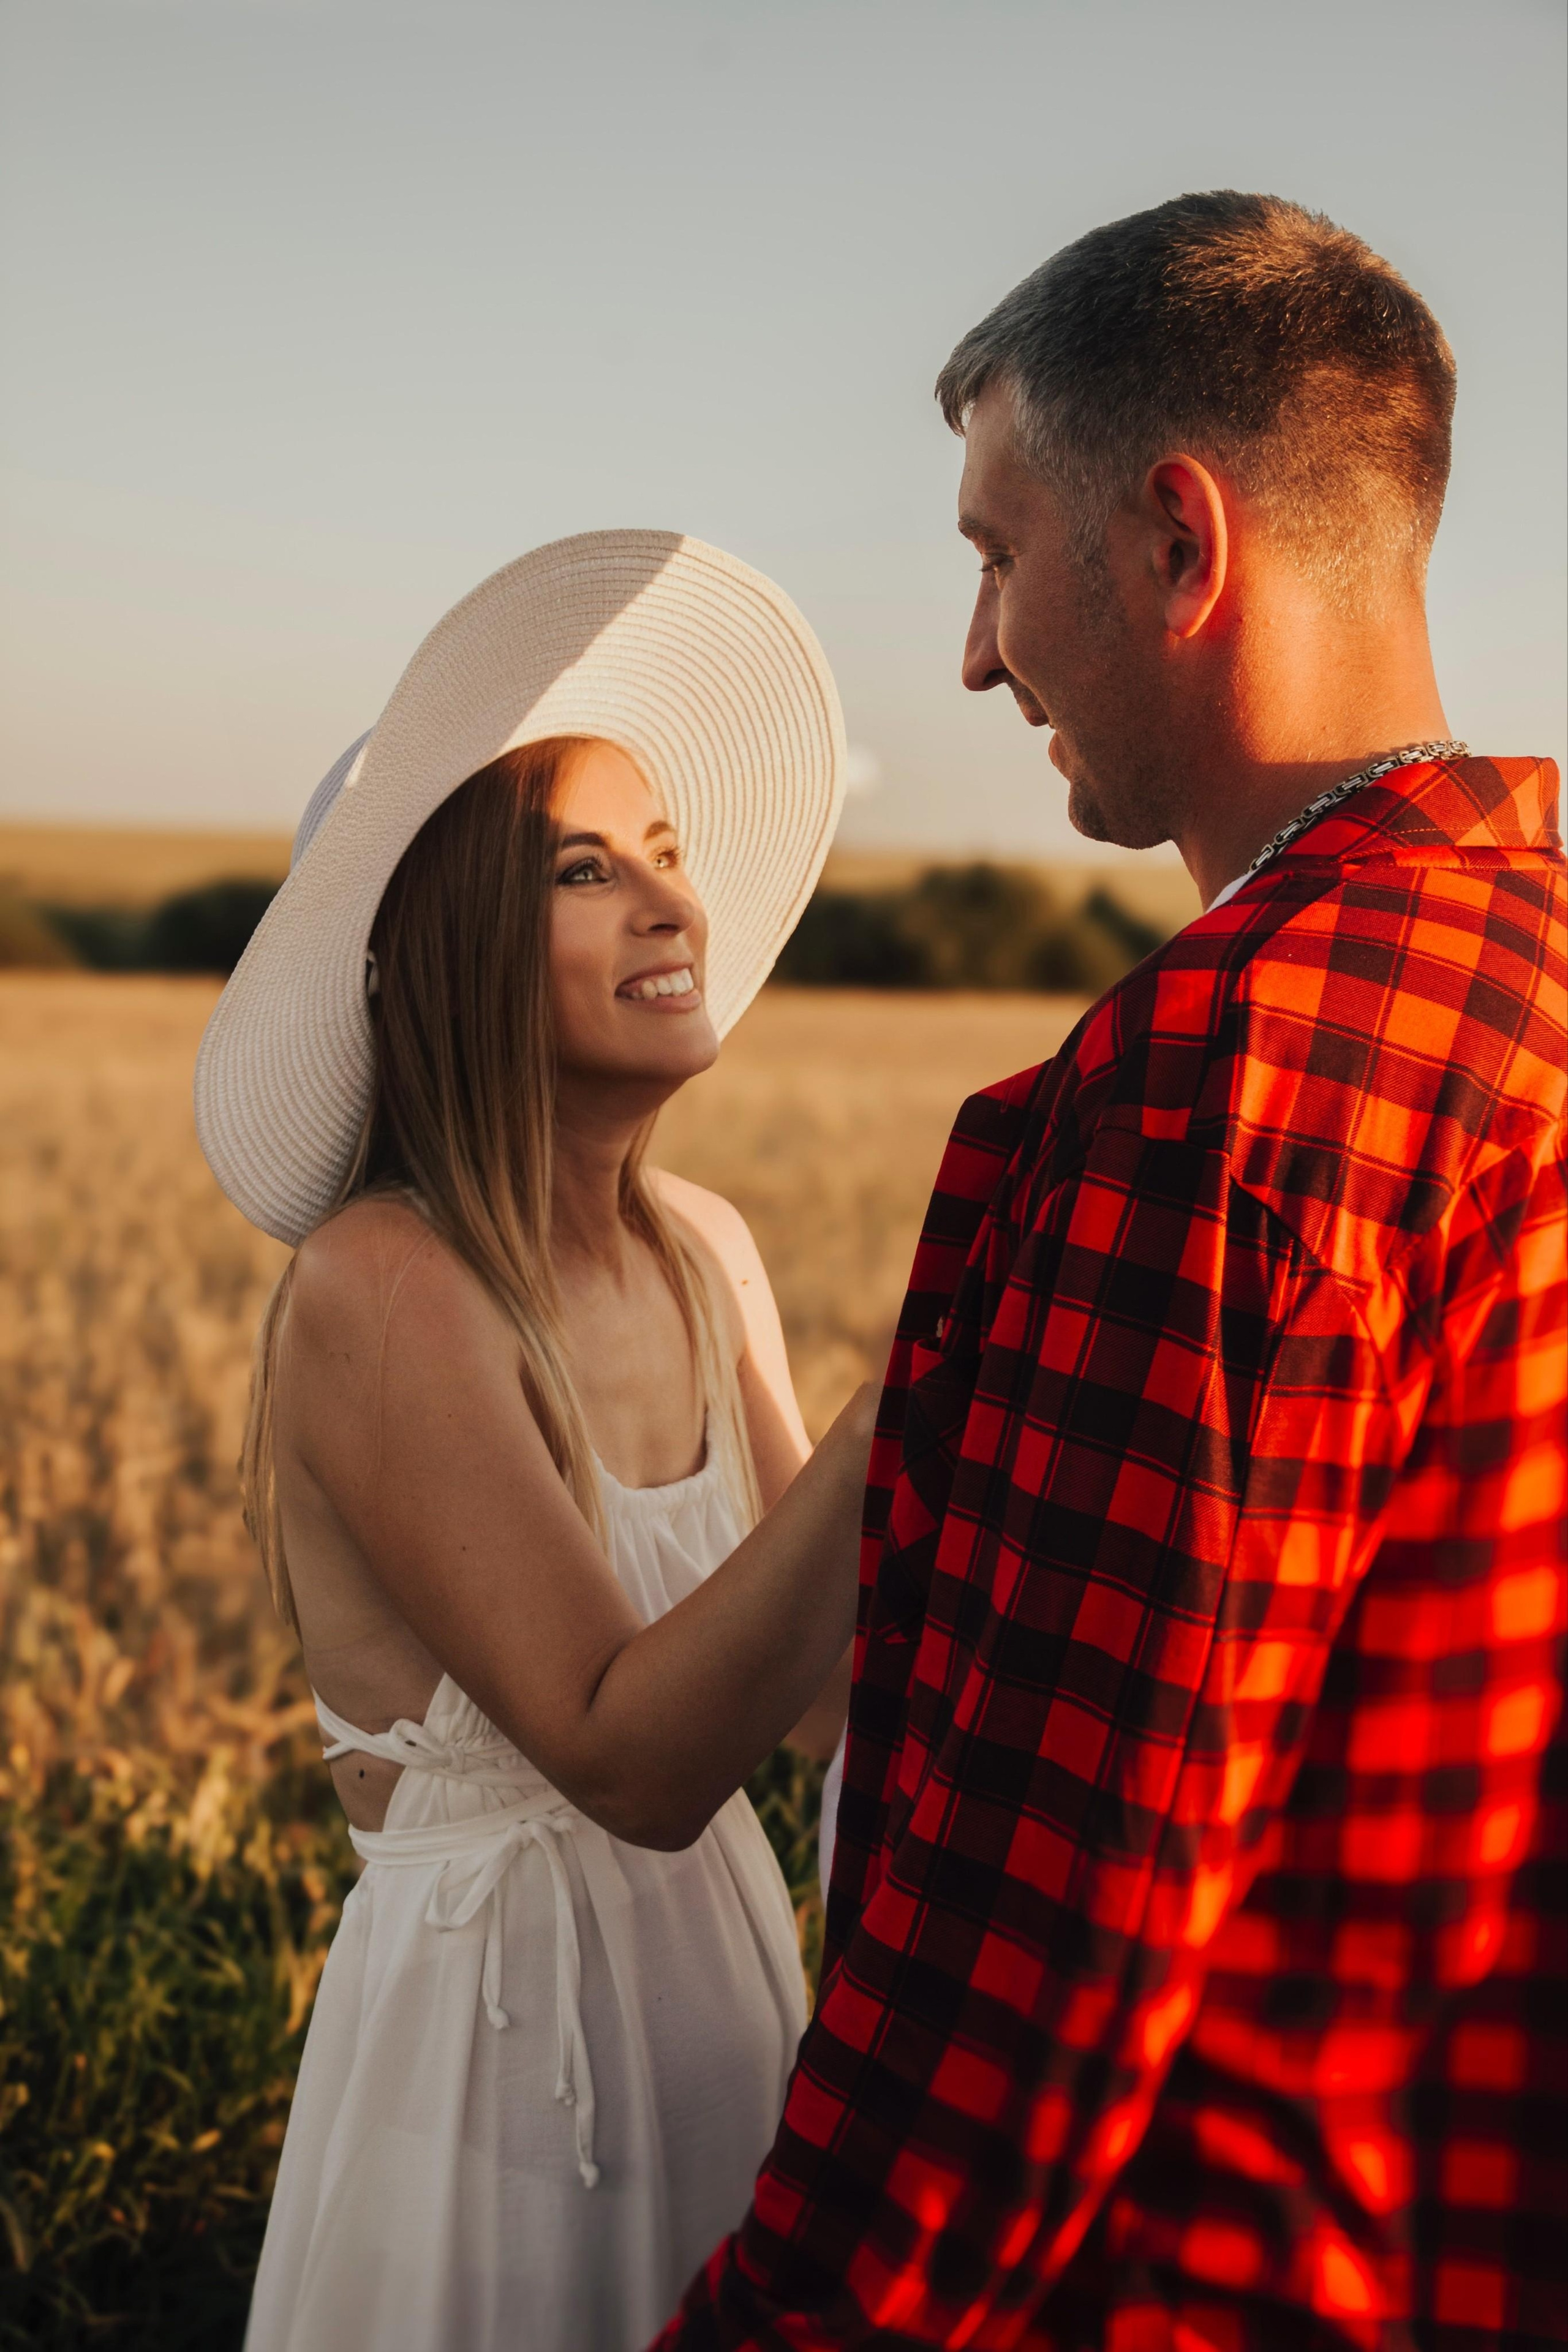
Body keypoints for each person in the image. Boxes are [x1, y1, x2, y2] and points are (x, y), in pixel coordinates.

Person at [655, 195, 1566, 2350]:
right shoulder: (1531, 985)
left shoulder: (1228, 1084)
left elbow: (1045, 1936)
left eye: (995, 552)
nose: (977, 654)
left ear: (1178, 539)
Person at [193, 530, 867, 2352]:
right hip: (497, 2094)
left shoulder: (702, 1247)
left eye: (666, 851)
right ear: (453, 949)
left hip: (726, 2007)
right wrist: (915, 1405)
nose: (674, 901)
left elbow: (813, 1690)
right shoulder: (385, 1287)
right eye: (588, 868)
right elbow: (629, 1759)